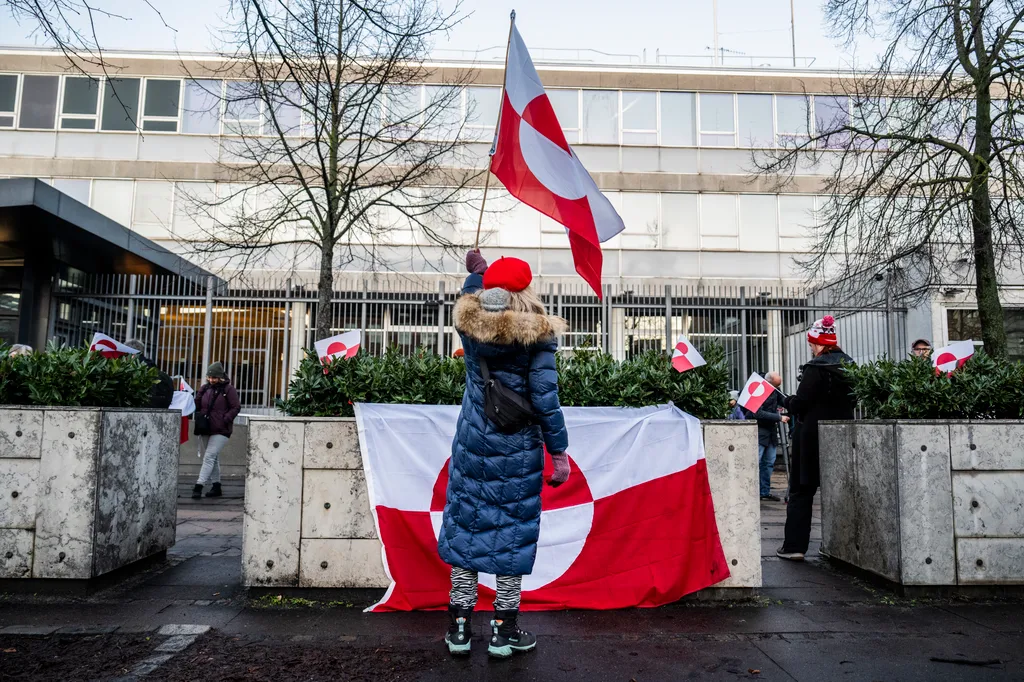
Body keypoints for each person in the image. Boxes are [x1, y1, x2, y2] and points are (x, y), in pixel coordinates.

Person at [438, 249, 569, 659]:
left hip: (472, 447)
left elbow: (470, 295)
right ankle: (503, 632)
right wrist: (559, 454)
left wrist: (476, 273)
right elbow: (546, 399)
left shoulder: (470, 328)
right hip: (518, 451)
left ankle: (459, 629)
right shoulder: (540, 335)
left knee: (466, 530)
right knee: (511, 539)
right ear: (527, 290)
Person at [777, 316, 856, 561]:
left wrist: (788, 401)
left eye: (812, 343)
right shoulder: (849, 366)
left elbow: (801, 402)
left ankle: (794, 547)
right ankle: (841, 549)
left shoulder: (816, 368)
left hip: (810, 436)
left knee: (802, 490)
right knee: (841, 491)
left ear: (819, 343)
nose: (811, 347)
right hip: (841, 433)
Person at [191, 362, 241, 500]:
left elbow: (236, 407)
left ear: (220, 377)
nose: (211, 380)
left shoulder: (228, 389)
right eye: (209, 377)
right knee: (214, 458)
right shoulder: (205, 388)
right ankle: (216, 486)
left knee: (209, 457)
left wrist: (225, 419)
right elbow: (197, 404)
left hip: (221, 429)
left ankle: (198, 486)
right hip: (206, 427)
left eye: (214, 377)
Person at [752, 372, 789, 502]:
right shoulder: (758, 389)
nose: (776, 389)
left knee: (769, 463)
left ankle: (764, 492)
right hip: (760, 431)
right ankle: (754, 491)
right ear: (768, 382)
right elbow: (757, 413)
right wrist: (779, 417)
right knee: (756, 462)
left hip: (770, 432)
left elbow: (783, 400)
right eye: (775, 386)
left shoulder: (774, 389)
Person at [124, 339, 174, 409]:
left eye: (125, 354)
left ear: (132, 354)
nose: (124, 358)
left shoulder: (132, 373)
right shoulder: (164, 376)